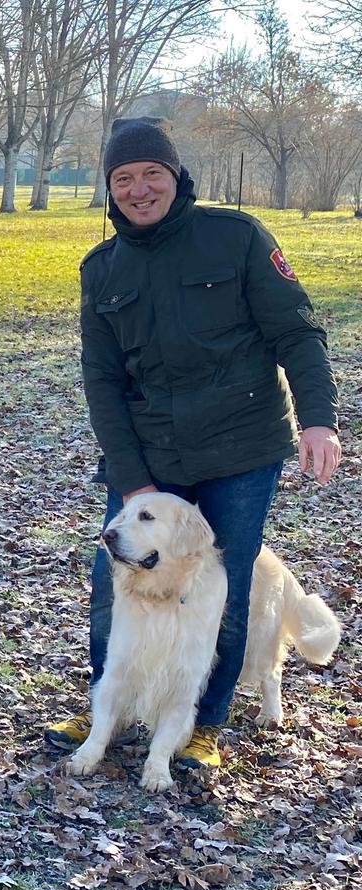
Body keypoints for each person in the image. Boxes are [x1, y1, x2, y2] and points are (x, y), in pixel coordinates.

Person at [45, 117, 342, 769]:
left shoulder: (234, 238)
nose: (139, 188)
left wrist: (318, 419)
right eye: (123, 178)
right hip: (151, 458)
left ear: (177, 177)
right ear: (110, 187)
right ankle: (110, 704)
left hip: (241, 451)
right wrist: (131, 480)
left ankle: (205, 721)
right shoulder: (102, 269)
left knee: (223, 588)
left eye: (152, 172)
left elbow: (297, 332)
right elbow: (102, 382)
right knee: (114, 579)